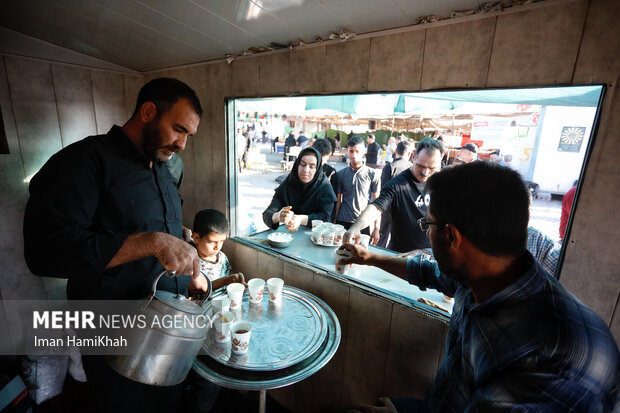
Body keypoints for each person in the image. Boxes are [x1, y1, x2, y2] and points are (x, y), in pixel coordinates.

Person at [342, 162, 620, 413]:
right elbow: (429, 272)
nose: (426, 232)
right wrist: (368, 258)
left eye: (428, 224)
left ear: (451, 236)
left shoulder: (547, 359)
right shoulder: (485, 272)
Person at [23, 78, 208, 412]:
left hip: (164, 324)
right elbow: (44, 251)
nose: (183, 144)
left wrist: (181, 245)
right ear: (148, 111)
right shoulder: (82, 162)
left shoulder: (165, 167)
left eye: (189, 136)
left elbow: (151, 225)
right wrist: (150, 241)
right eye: (178, 129)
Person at [345, 138, 443, 252]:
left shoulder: (441, 182)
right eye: (420, 166)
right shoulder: (398, 184)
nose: (425, 172)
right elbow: (377, 207)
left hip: (433, 254)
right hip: (402, 256)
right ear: (413, 157)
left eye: (432, 168)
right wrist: (357, 226)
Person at [262, 147, 336, 232]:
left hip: (315, 237)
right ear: (297, 165)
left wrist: (301, 219)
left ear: (317, 169)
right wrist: (277, 216)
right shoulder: (287, 184)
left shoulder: (324, 187)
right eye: (303, 164)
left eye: (312, 166)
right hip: (288, 236)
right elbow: (267, 214)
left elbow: (326, 217)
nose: (306, 170)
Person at [333, 136, 381, 234]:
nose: (354, 155)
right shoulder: (340, 174)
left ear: (364, 152)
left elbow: (378, 203)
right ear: (347, 151)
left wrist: (376, 228)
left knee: (359, 249)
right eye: (351, 151)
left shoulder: (372, 174)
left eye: (357, 151)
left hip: (363, 222)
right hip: (343, 221)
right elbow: (338, 200)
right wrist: (334, 221)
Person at [190, 208, 246, 288]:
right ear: (196, 237)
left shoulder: (222, 258)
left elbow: (230, 285)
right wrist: (225, 281)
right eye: (212, 242)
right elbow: (197, 291)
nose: (218, 247)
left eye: (222, 241)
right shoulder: (191, 261)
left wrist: (237, 284)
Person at [376, 140, 415, 248]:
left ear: (396, 151)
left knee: (383, 236)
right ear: (409, 153)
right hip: (406, 208)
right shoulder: (412, 168)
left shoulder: (390, 167)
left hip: (388, 207)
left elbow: (382, 190)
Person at [313, 138, 340, 221]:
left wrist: (334, 219)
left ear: (329, 155)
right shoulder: (306, 169)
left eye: (324, 158)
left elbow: (335, 199)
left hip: (324, 216)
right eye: (319, 157)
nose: (321, 161)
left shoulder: (332, 172)